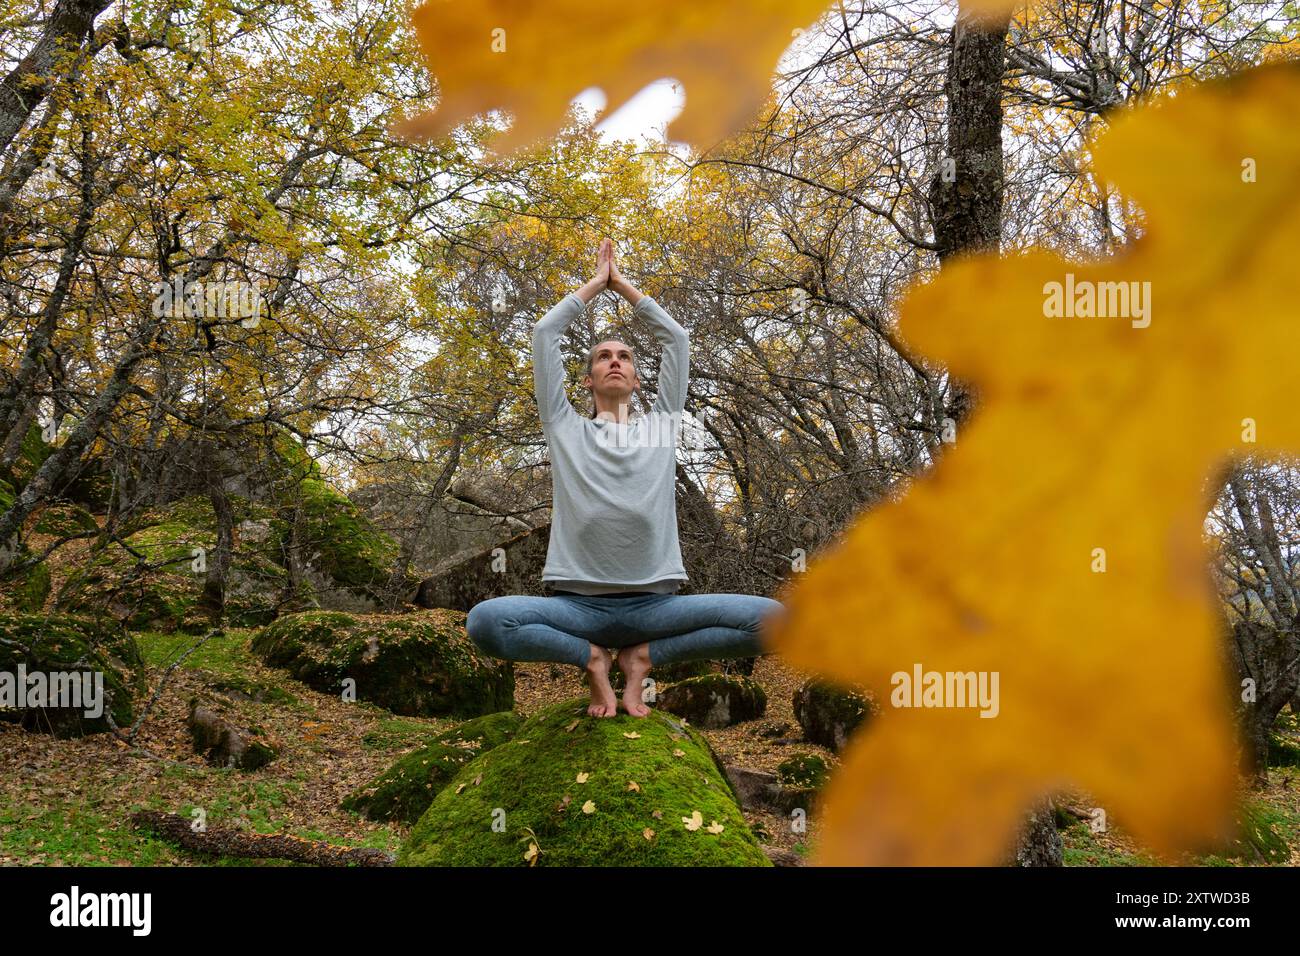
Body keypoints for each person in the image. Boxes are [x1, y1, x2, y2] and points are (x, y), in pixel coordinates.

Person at [466, 238, 785, 718]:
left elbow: (676, 340)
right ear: (589, 380)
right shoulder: (565, 427)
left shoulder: (660, 428)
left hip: (653, 609)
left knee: (775, 620)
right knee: (486, 623)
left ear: (637, 379)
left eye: (625, 356)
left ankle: (643, 659)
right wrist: (596, 285)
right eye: (602, 356)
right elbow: (544, 333)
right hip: (577, 610)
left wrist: (626, 288)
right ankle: (592, 661)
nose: (614, 360)